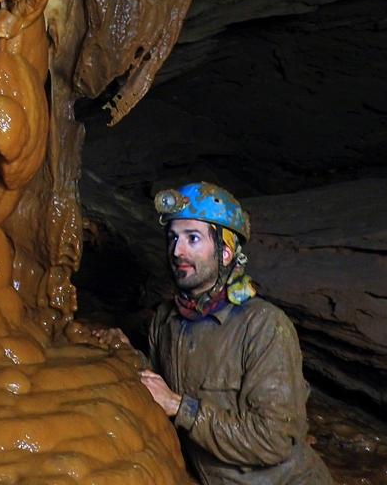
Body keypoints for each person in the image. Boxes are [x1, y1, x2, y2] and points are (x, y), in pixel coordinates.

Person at [97, 182, 331, 484]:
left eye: (192, 238)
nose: (177, 251)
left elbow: (275, 440)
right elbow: (163, 389)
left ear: (224, 252)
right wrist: (127, 355)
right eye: (173, 238)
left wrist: (180, 408)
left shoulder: (264, 327)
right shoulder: (166, 321)